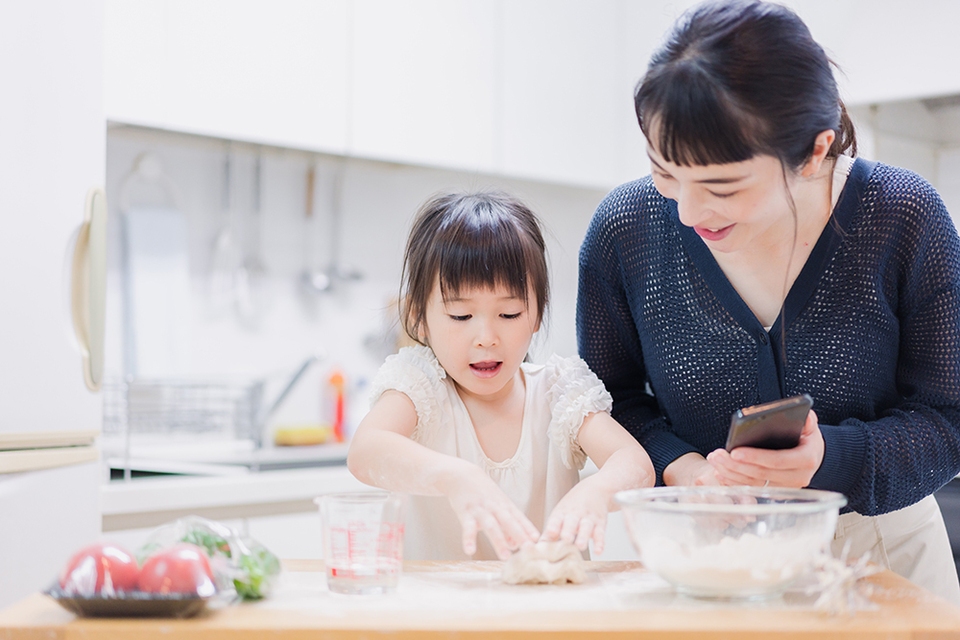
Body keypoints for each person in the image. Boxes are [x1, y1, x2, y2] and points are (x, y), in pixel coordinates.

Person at [577, 0, 960, 603]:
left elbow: (948, 419)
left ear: (814, 151)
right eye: (664, 173)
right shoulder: (625, 230)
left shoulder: (902, 218)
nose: (687, 211)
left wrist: (829, 458)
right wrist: (684, 468)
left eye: (721, 187)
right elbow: (603, 403)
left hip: (879, 559)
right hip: (697, 559)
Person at [348, 190, 654, 561]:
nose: (486, 338)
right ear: (418, 318)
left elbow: (635, 464)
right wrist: (455, 476)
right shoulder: (420, 386)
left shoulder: (558, 391)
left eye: (509, 314)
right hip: (439, 614)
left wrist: (595, 493)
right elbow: (365, 451)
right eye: (461, 316)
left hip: (545, 611)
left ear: (537, 313)